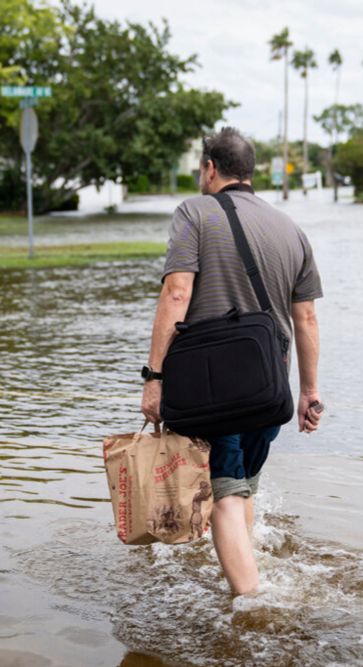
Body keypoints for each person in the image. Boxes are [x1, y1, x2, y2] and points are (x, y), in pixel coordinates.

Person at [140, 127, 323, 595]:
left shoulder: (194, 212)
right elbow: (306, 320)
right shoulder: (291, 228)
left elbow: (177, 291)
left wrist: (154, 377)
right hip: (271, 386)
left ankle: (254, 607)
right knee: (244, 486)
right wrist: (308, 394)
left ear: (210, 168)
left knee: (224, 491)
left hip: (214, 386)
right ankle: (251, 572)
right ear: (251, 171)